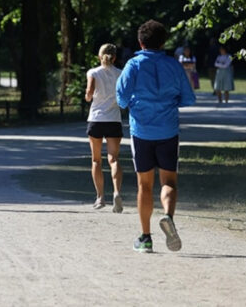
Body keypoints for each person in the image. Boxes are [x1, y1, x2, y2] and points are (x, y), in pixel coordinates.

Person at [117, 20, 196, 253]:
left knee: (144, 185)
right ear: (163, 42)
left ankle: (145, 238)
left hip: (141, 131)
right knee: (169, 182)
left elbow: (121, 98)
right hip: (168, 131)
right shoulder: (173, 65)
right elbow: (189, 98)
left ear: (140, 42)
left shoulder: (133, 65)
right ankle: (168, 217)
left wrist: (134, 104)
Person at [84, 43, 124, 213]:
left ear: (99, 56)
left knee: (96, 160)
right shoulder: (121, 74)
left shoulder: (93, 72)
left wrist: (88, 96)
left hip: (96, 119)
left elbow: (89, 94)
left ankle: (100, 197)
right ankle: (117, 192)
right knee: (113, 159)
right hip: (114, 120)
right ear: (114, 57)